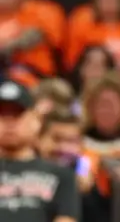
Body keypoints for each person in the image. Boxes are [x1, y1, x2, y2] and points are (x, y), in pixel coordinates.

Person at [0, 80, 80, 222]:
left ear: (35, 120)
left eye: (17, 114)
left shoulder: (62, 175)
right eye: (2, 114)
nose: (9, 122)